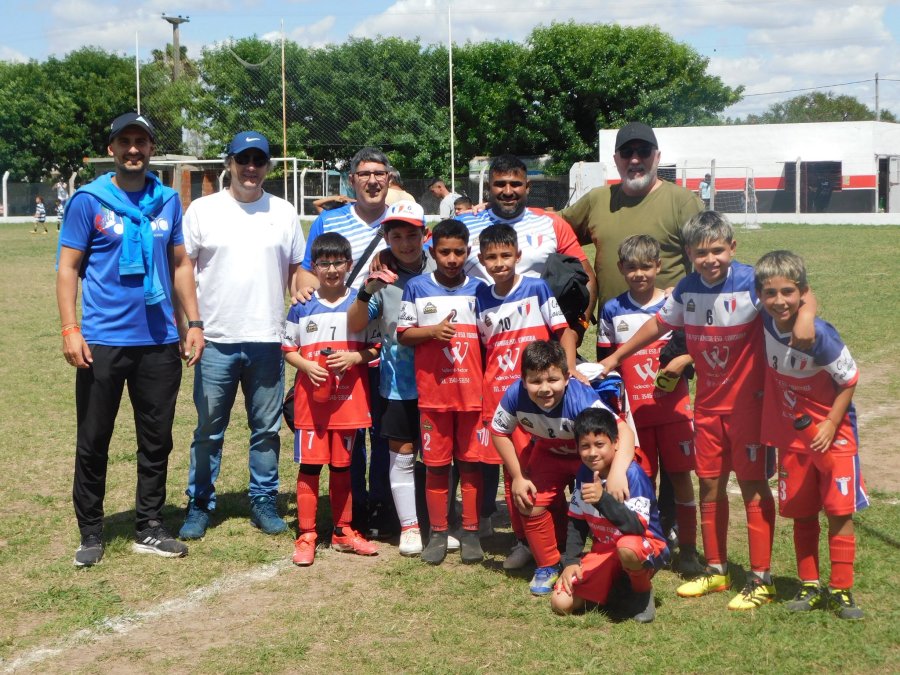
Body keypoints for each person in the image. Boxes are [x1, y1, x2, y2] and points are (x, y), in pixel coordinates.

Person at [599, 211, 817, 610]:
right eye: (702, 252)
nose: (711, 258)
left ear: (732, 248)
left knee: (752, 488)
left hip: (750, 408)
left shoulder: (752, 282)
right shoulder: (686, 288)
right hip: (708, 408)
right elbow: (657, 325)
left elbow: (800, 292)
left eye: (718, 250)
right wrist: (616, 356)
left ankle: (761, 578)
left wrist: (805, 317)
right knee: (711, 487)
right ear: (688, 253)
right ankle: (716, 570)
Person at [56, 111, 203, 566]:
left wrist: (192, 323)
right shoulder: (89, 200)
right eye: (126, 142)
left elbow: (180, 264)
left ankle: (149, 526)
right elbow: (68, 268)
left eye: (142, 142)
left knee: (156, 439)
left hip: (159, 341)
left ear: (151, 149)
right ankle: (91, 531)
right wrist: (70, 328)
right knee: (94, 437)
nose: (134, 149)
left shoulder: (166, 201)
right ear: (112, 149)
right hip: (103, 340)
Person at [178, 131, 305, 541]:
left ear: (268, 166)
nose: (251, 168)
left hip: (267, 339)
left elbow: (296, 270)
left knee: (266, 429)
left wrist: (303, 307)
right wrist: (192, 325)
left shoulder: (283, 211)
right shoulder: (202, 210)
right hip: (215, 339)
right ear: (229, 162)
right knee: (208, 431)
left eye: (259, 160)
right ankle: (199, 504)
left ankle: (264, 500)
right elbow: (183, 270)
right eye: (243, 159)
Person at [755, 250, 868, 619]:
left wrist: (832, 423)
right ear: (760, 296)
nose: (778, 301)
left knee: (838, 512)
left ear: (801, 292)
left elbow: (849, 379)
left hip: (834, 436)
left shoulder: (820, 335)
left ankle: (842, 589)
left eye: (788, 292)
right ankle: (810, 584)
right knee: (802, 514)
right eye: (770, 293)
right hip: (793, 436)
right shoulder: (766, 320)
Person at [299, 147, 395, 539]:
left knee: (384, 432)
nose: (372, 180)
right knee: (346, 431)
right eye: (364, 173)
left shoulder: (403, 220)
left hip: (386, 343)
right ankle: (350, 511)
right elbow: (308, 272)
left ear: (390, 178)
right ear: (352, 180)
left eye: (380, 173)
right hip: (338, 347)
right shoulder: (329, 219)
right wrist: (305, 298)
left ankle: (383, 508)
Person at [491, 340, 636, 596]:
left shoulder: (582, 399)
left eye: (553, 380)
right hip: (549, 450)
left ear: (567, 378)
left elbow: (622, 431)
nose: (545, 389)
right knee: (528, 499)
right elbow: (499, 431)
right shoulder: (515, 395)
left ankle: (613, 557)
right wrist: (518, 476)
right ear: (523, 381)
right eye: (536, 381)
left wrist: (615, 474)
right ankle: (547, 564)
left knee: (604, 501)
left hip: (587, 455)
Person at [596, 235, 703, 576]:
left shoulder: (675, 305)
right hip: (634, 416)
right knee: (642, 481)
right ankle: (647, 543)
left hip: (674, 412)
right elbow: (605, 364)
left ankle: (687, 549)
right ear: (620, 269)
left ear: (658, 266)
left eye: (646, 266)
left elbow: (697, 350)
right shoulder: (611, 309)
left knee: (682, 479)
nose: (639, 274)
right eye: (631, 267)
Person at [474, 223, 579, 570]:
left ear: (518, 256)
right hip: (503, 397)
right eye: (492, 257)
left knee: (544, 471)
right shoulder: (481, 298)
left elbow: (563, 330)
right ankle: (523, 541)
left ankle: (558, 539)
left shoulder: (536, 288)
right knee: (514, 470)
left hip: (540, 396)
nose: (500, 262)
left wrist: (569, 369)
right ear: (482, 260)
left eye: (506, 255)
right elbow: (479, 349)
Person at [283, 232, 380, 565]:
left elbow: (375, 348)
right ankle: (307, 534)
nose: (331, 269)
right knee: (310, 466)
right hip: (312, 405)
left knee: (343, 467)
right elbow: (288, 350)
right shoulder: (302, 305)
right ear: (315, 267)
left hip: (348, 403)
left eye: (338, 262)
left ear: (349, 265)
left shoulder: (360, 303)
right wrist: (307, 364)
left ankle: (343, 530)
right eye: (324, 263)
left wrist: (355, 358)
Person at [348, 200, 436, 557]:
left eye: (412, 234)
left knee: (438, 456)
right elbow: (356, 323)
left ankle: (439, 520)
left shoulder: (444, 265)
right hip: (398, 384)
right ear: (385, 238)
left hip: (443, 382)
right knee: (401, 454)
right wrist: (367, 289)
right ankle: (410, 527)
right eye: (396, 235)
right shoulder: (382, 277)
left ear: (424, 235)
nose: (405, 243)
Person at [397, 219, 486, 565]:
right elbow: (403, 334)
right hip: (433, 396)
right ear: (432, 252)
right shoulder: (417, 288)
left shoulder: (479, 289)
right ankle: (437, 532)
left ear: (468, 252)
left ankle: (471, 532)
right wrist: (432, 332)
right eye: (444, 252)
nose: (451, 258)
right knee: (435, 467)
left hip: (472, 396)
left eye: (458, 252)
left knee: (471, 466)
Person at [559, 122, 702, 312]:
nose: (635, 160)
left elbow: (710, 259)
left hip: (667, 331)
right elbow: (551, 228)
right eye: (626, 152)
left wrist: (688, 290)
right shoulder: (598, 199)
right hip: (613, 330)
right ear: (616, 159)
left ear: (657, 157)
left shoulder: (683, 202)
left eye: (644, 151)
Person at [550, 407, 669, 623]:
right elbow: (576, 521)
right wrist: (571, 561)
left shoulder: (633, 474)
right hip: (605, 550)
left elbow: (636, 528)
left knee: (627, 547)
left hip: (646, 545)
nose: (592, 452)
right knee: (561, 603)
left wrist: (602, 499)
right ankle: (617, 589)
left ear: (615, 443)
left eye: (599, 444)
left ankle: (642, 593)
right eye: (585, 446)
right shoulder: (584, 474)